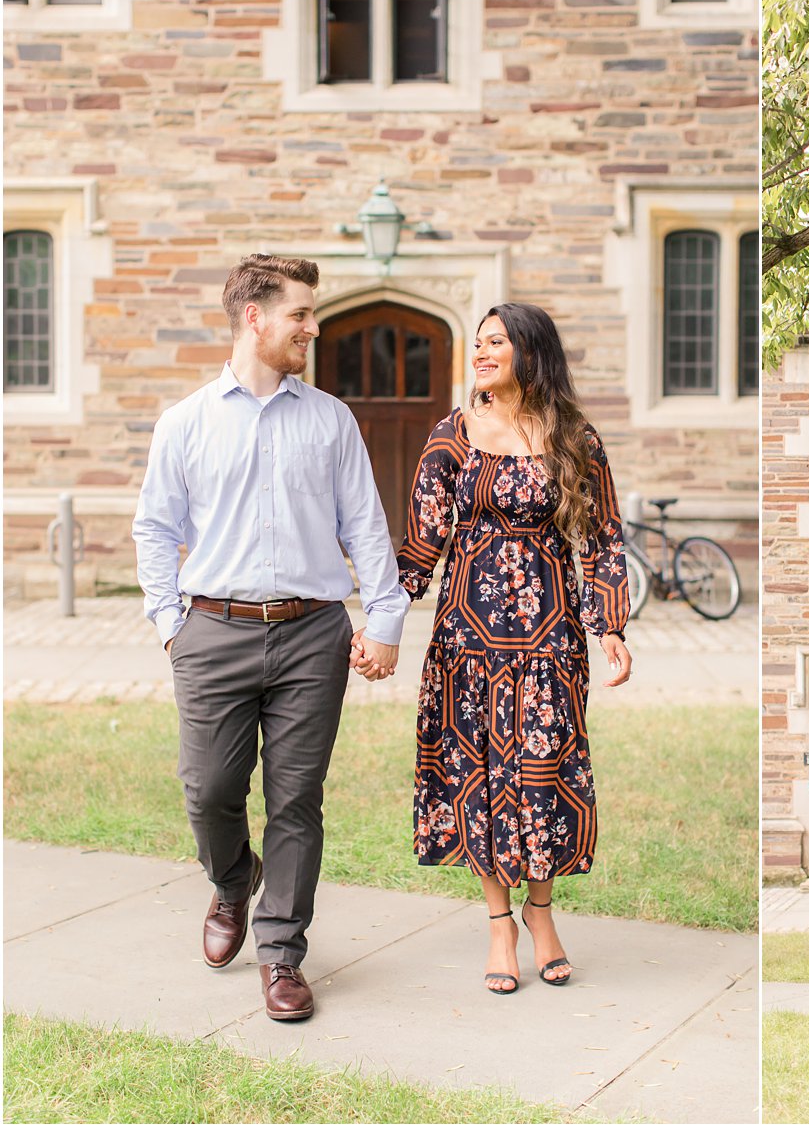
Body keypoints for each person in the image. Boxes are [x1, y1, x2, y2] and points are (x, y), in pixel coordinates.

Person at [133, 254, 409, 1023]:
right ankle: (230, 882)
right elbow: (155, 529)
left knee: (296, 799)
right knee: (209, 790)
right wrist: (169, 627)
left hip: (311, 634)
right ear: (254, 318)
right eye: (301, 315)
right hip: (211, 631)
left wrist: (382, 620)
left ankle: (282, 952)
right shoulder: (185, 422)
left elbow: (366, 526)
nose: (314, 328)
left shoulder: (330, 421)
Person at [388, 301, 632, 996]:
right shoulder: (454, 434)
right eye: (478, 343)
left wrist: (609, 623)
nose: (482, 352)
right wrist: (383, 619)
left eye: (496, 342)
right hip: (467, 642)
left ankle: (542, 913)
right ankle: (500, 924)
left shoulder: (574, 437)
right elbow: (422, 541)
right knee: (480, 776)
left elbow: (604, 537)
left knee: (542, 773)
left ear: (531, 352)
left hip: (551, 638)